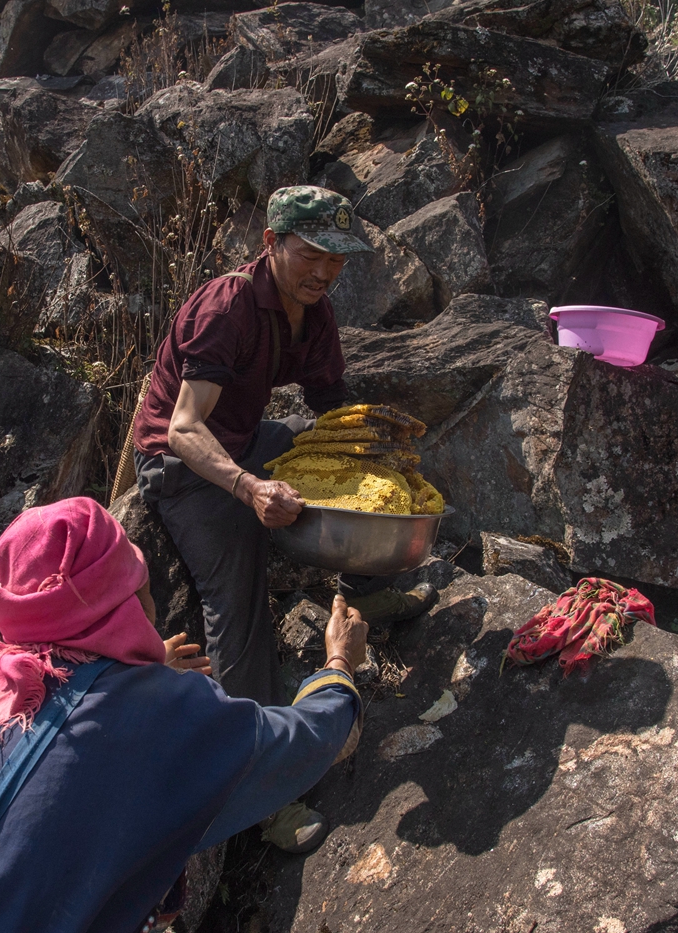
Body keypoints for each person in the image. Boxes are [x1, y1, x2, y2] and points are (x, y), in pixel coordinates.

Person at [0, 497, 367, 932]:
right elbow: (305, 741)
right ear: (124, 599)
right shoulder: (159, 711)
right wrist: (339, 664)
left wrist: (132, 680)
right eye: (138, 581)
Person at [131, 186, 438, 848]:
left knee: (346, 465)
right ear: (271, 244)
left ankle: (366, 590)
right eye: (311, 254)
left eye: (338, 260)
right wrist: (249, 490)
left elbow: (334, 417)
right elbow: (185, 429)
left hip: (244, 439)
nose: (324, 272)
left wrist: (372, 473)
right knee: (236, 604)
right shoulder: (230, 307)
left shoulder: (314, 312)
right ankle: (261, 791)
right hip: (181, 463)